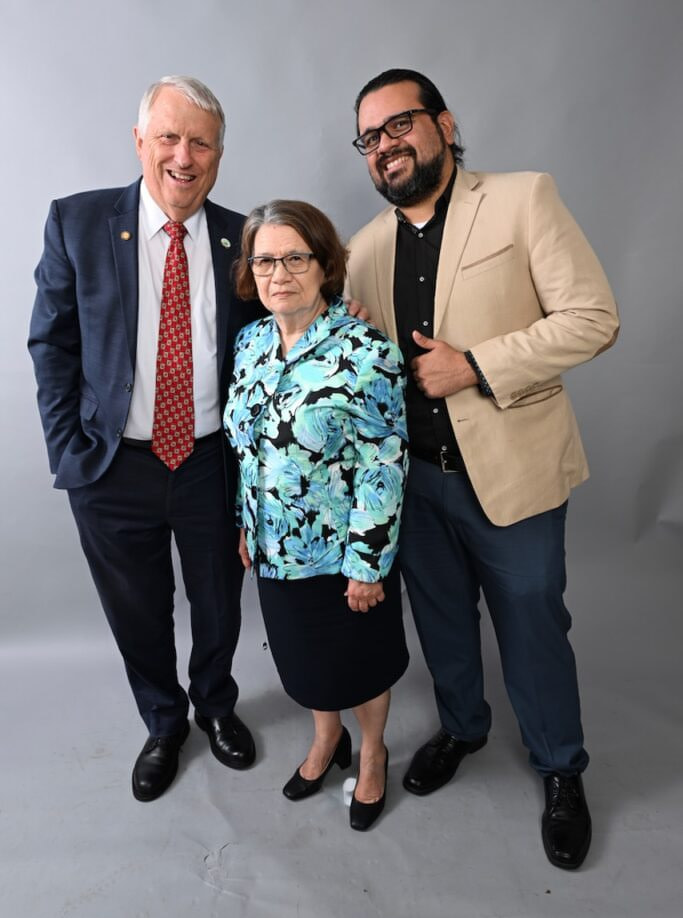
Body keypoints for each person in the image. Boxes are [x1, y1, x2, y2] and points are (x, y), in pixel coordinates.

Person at [346, 68, 619, 867]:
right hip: (414, 482)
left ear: (443, 123)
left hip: (513, 470)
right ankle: (463, 728)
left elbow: (593, 317)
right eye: (370, 137)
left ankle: (560, 768)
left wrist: (474, 365)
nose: (385, 145)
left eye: (399, 124)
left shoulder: (522, 198)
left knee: (532, 626)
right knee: (439, 620)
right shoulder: (362, 249)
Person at [28, 76, 263, 802]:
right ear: (140, 142)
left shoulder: (245, 239)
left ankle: (215, 706)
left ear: (219, 153)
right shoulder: (77, 222)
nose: (183, 157)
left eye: (201, 143)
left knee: (219, 601)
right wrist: (70, 452)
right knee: (135, 608)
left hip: (211, 463)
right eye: (169, 137)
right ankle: (164, 723)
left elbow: (280, 333)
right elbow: (52, 343)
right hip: (112, 466)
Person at [224, 200, 409, 831]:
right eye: (265, 261)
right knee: (306, 665)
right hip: (275, 551)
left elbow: (385, 464)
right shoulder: (250, 343)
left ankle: (373, 751)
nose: (279, 274)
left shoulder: (366, 350)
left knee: (361, 665)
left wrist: (368, 565)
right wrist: (247, 523)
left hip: (343, 558)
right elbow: (248, 448)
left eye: (295, 258)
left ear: (325, 264)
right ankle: (327, 741)